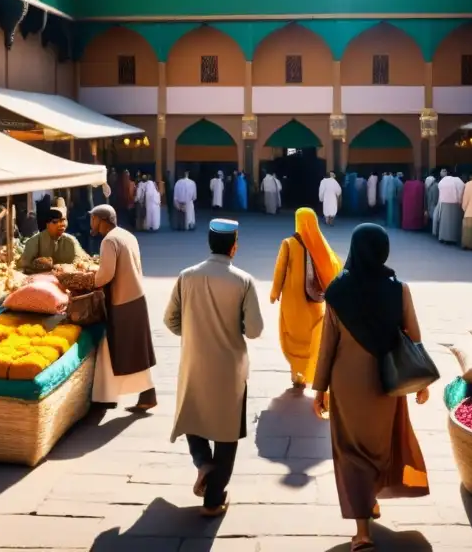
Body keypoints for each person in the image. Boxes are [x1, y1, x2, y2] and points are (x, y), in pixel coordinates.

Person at [312, 224, 430, 551]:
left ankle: (362, 532)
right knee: (381, 445)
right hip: (387, 380)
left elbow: (327, 346)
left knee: (350, 450)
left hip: (347, 383)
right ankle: (370, 498)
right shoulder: (399, 289)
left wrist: (319, 388)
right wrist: (421, 382)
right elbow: (414, 336)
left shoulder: (337, 290)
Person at [164, 219, 264, 517]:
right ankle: (213, 500)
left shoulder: (186, 276)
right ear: (234, 246)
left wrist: (195, 332)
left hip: (194, 362)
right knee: (227, 432)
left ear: (210, 243)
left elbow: (170, 319)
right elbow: (255, 329)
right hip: (230, 368)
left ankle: (203, 463)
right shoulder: (243, 281)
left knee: (191, 416)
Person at [89, 205, 157, 411]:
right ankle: (145, 394)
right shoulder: (127, 235)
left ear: (102, 220)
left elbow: (106, 274)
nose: (91, 223)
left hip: (122, 300)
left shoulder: (109, 240)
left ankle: (124, 395)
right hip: (136, 296)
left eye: (93, 219)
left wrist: (89, 280)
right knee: (136, 349)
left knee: (123, 348)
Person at [270, 208, 342, 389]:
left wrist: (274, 292)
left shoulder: (288, 243)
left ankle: (297, 373)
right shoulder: (318, 243)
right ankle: (312, 370)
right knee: (312, 337)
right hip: (314, 301)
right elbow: (333, 265)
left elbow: (280, 270)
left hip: (293, 300)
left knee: (293, 335)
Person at [18, 207, 85, 270]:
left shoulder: (71, 241)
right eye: (55, 221)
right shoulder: (34, 241)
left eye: (63, 220)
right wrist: (37, 264)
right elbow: (22, 265)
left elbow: (81, 261)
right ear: (47, 224)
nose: (61, 224)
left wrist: (64, 267)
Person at [436, 170, 464, 245]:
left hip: (444, 203)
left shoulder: (443, 181)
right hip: (456, 204)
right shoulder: (458, 181)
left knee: (444, 222)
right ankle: (454, 238)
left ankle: (443, 237)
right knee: (455, 222)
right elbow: (462, 190)